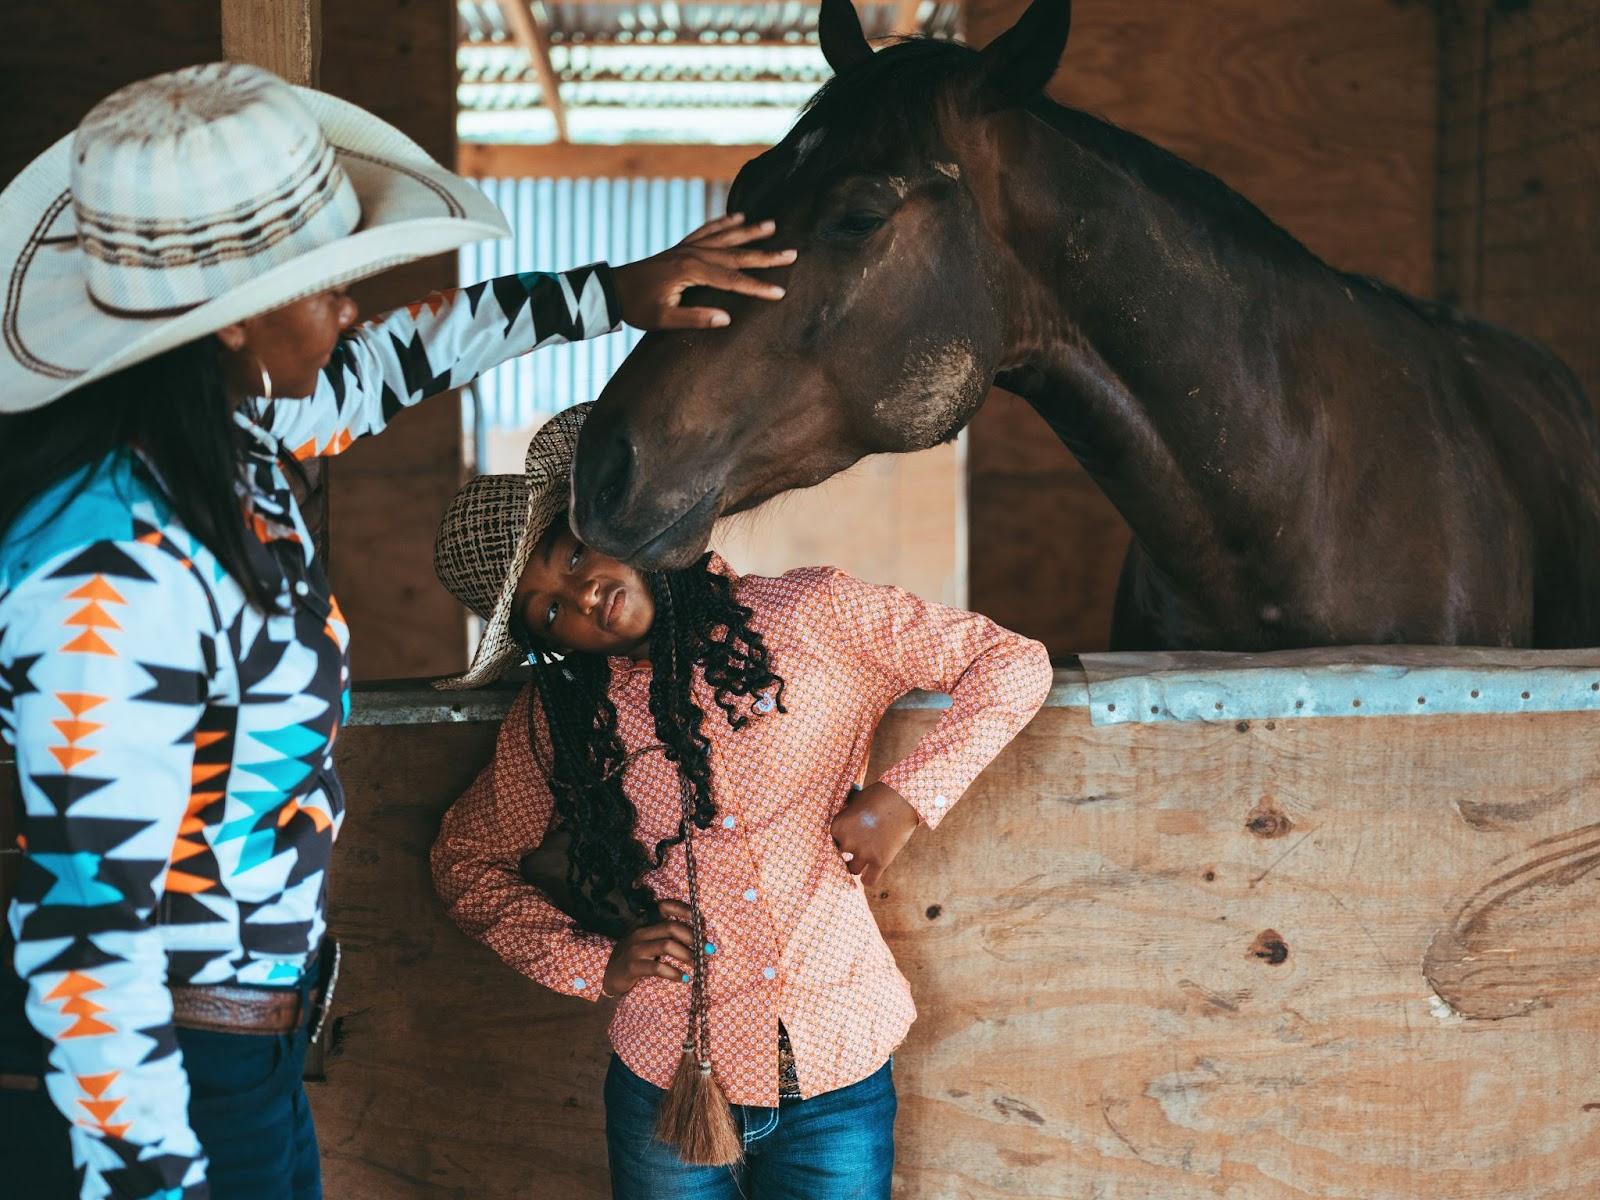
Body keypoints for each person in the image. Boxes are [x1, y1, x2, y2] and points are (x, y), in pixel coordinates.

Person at [0, 62, 792, 1200]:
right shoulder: (107, 571)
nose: (350, 310)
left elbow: (404, 355)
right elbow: (85, 933)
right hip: (169, 1081)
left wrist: (611, 295)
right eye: (325, 286)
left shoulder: (234, 443)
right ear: (233, 325)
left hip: (245, 1046)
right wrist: (150, 1174)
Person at [429, 404, 1053, 1199]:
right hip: (666, 1082)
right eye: (548, 610)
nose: (582, 597)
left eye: (570, 556)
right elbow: (463, 864)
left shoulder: (812, 615)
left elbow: (1011, 662)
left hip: (838, 1072)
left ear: (613, 529)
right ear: (545, 640)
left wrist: (901, 800)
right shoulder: (558, 720)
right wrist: (598, 965)